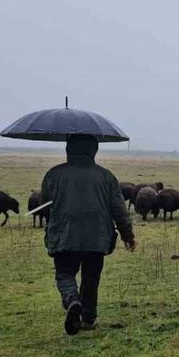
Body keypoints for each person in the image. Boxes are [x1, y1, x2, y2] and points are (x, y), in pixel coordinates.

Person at [41, 134, 136, 335]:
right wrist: (127, 235)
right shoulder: (106, 177)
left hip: (64, 235)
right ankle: (88, 318)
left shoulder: (53, 175)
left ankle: (71, 299)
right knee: (91, 277)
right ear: (94, 150)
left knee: (65, 273)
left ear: (68, 148)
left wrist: (54, 224)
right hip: (97, 238)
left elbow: (45, 206)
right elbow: (119, 209)